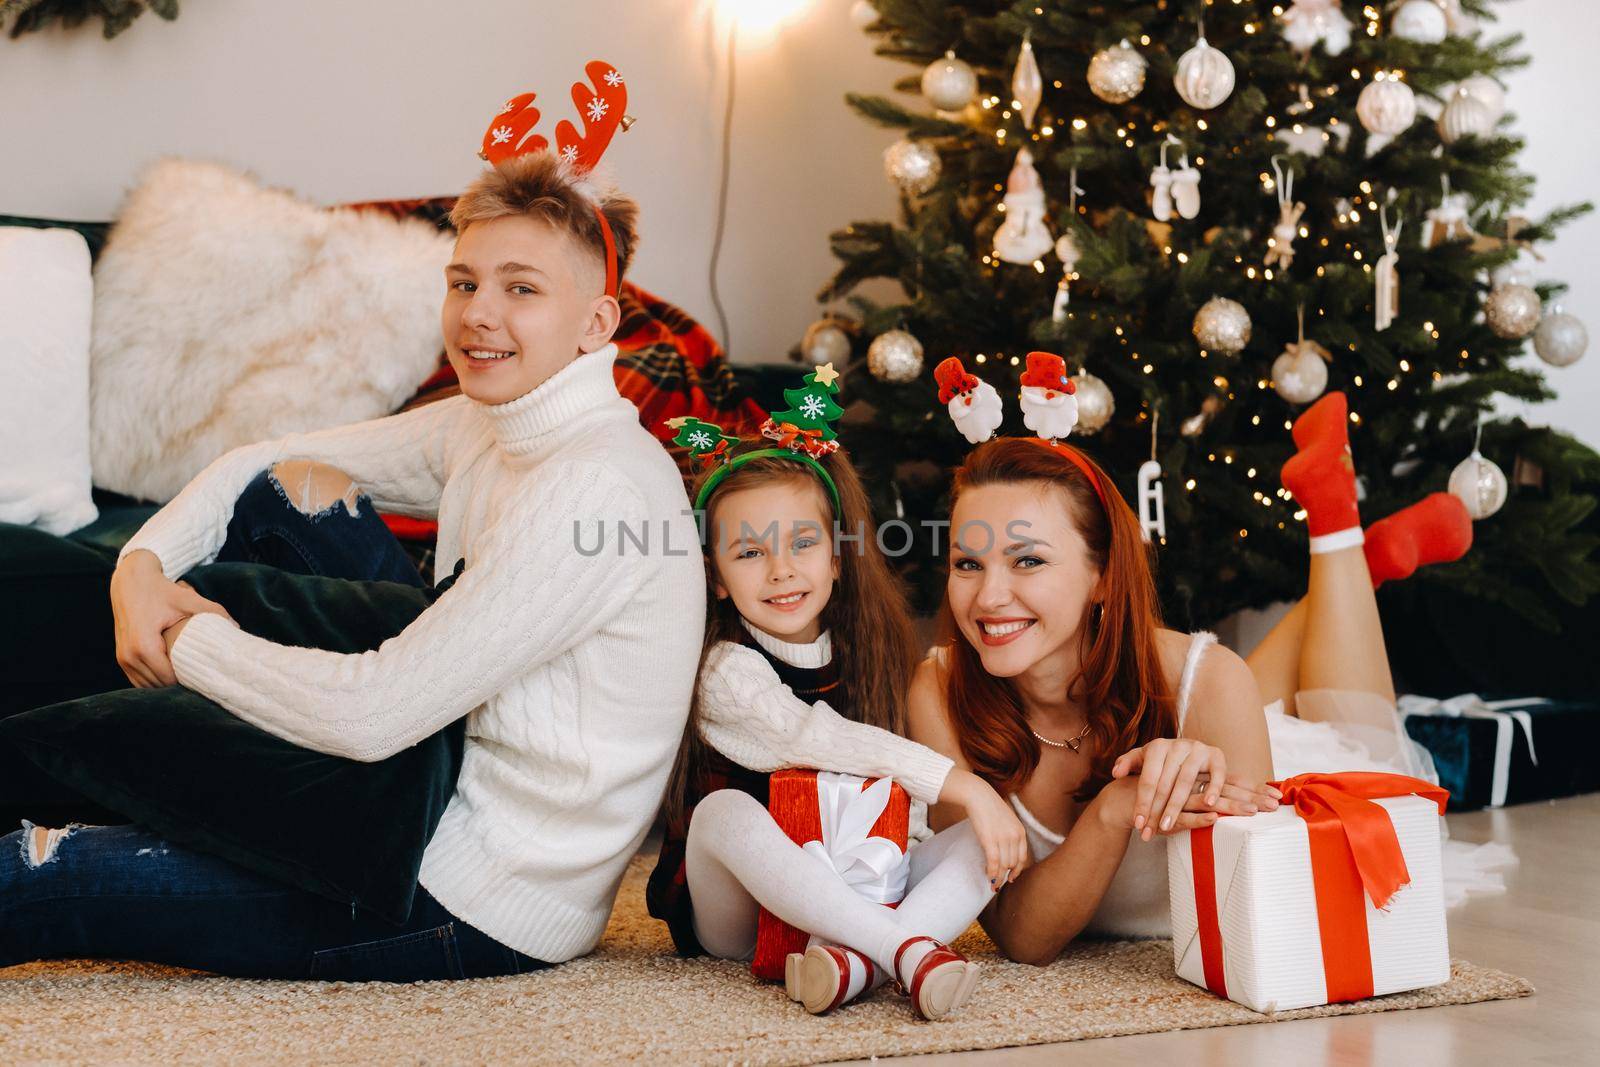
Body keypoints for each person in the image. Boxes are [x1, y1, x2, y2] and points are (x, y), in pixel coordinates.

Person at [0, 149, 705, 980]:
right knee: (282, 498)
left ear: (596, 324)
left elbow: (375, 715)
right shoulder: (496, 421)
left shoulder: (595, 486)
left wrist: (187, 642)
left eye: (521, 288)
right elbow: (267, 459)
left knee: (44, 873)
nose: (479, 313)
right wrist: (141, 566)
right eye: (463, 281)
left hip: (469, 890)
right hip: (427, 766)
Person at [908, 381, 1478, 966]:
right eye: (966, 564)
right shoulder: (939, 691)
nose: (989, 597)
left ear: (1103, 575)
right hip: (1188, 704)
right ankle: (1355, 567)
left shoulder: (1208, 679)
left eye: (1028, 560)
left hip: (1265, 755)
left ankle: (1339, 536)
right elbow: (1019, 936)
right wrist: (1113, 809)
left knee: (1354, 727)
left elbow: (1260, 904)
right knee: (1241, 683)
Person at [645, 410, 1025, 1020]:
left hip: (849, 887)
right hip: (740, 913)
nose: (781, 569)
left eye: (802, 543)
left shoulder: (863, 652)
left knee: (984, 842)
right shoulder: (724, 670)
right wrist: (963, 784)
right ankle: (899, 949)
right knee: (723, 812)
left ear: (838, 559)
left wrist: (941, 825)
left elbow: (897, 795)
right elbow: (817, 737)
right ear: (715, 578)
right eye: (749, 552)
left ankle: (849, 967)